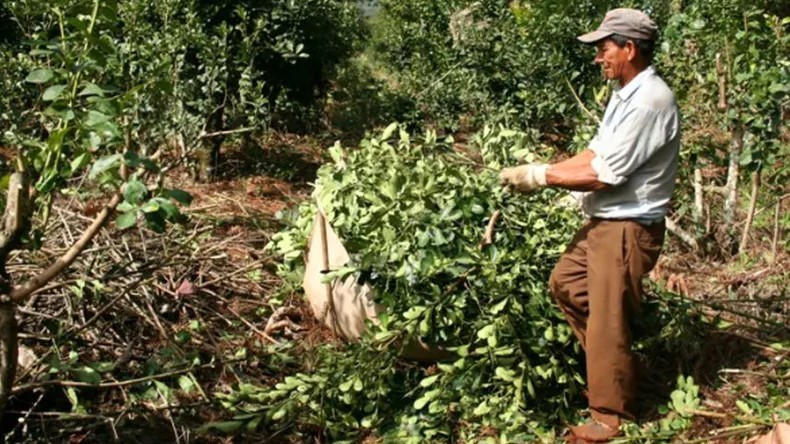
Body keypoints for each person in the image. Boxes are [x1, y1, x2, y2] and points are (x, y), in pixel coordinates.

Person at [499, 8, 680, 444]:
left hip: (627, 229)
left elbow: (604, 174)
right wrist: (545, 170)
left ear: (630, 48)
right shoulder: (625, 94)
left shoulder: (651, 101)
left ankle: (609, 416)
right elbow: (593, 154)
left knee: (607, 322)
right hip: (605, 221)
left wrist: (542, 176)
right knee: (565, 284)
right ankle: (618, 369)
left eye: (604, 49)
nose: (599, 58)